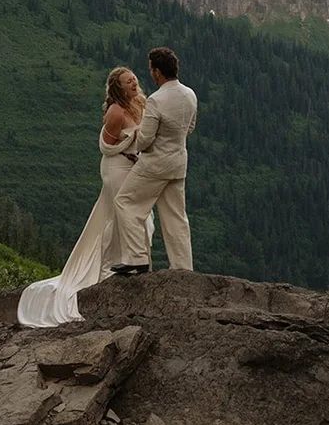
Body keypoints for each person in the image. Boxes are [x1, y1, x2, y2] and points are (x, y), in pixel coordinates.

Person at [16, 66, 154, 327]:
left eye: (134, 78)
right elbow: (109, 146)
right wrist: (134, 149)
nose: (134, 82)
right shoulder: (115, 112)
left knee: (135, 215)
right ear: (118, 88)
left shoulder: (139, 102)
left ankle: (132, 261)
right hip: (117, 169)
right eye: (128, 81)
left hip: (133, 168)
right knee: (122, 215)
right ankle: (114, 266)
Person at [111, 46, 197, 275]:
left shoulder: (156, 100)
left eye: (151, 69)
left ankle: (137, 258)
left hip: (154, 164)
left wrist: (137, 137)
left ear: (157, 72)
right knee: (176, 217)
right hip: (179, 163)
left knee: (126, 202)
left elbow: (144, 141)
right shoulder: (190, 94)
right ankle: (183, 268)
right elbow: (190, 127)